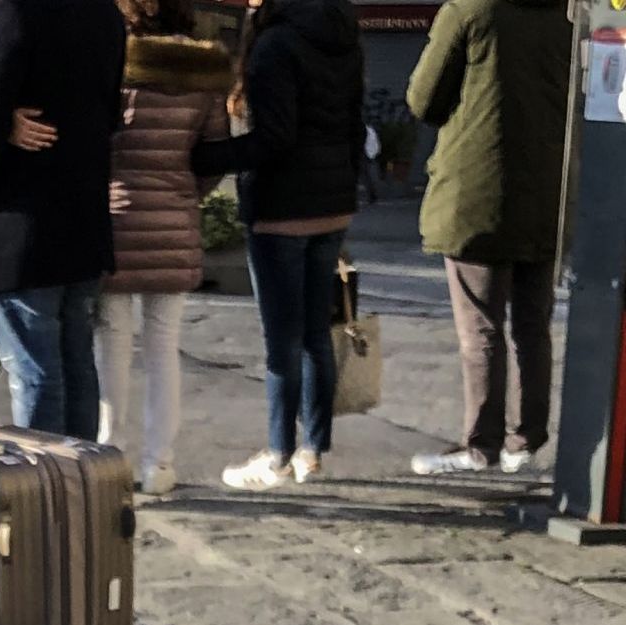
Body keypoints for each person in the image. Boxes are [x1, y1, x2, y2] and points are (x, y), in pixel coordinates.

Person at [193, 0, 365, 491]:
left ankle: (277, 456)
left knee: (282, 342)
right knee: (316, 334)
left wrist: (205, 156)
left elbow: (274, 138)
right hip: (332, 206)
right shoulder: (343, 34)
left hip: (282, 209)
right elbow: (354, 126)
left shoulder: (275, 44)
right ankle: (312, 451)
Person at [404, 0, 572, 477]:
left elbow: (423, 100)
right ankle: (526, 440)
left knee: (481, 329)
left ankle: (481, 446)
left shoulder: (468, 10)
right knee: (533, 326)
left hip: (478, 193)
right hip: (546, 192)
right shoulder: (564, 14)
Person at [0, 0, 127, 439]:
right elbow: (110, 112)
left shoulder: (17, 12)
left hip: (20, 222)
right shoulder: (105, 14)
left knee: (36, 371)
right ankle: (82, 471)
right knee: (77, 364)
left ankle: (44, 474)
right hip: (83, 216)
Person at [91, 0, 231, 494]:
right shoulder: (204, 73)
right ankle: (160, 465)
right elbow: (213, 156)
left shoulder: (116, 63)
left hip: (116, 218)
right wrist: (186, 195)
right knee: (163, 347)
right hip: (176, 221)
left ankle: (111, 455)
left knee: (112, 343)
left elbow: (97, 142)